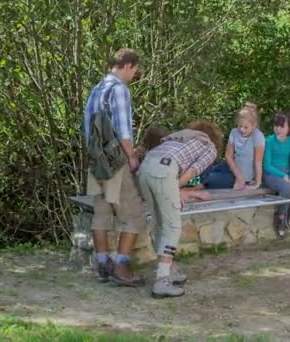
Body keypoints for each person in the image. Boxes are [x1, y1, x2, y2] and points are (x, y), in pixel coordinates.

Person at [137, 120, 223, 298]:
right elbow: (193, 171)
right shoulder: (209, 147)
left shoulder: (180, 136)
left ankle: (170, 269)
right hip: (164, 169)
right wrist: (177, 187)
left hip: (145, 168)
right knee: (172, 226)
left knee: (160, 222)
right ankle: (162, 281)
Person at [83, 48, 145, 287]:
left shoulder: (97, 89)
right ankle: (121, 266)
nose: (134, 74)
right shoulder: (119, 90)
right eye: (135, 70)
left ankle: (102, 264)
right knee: (133, 215)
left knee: (101, 213)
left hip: (96, 160)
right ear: (128, 66)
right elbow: (123, 130)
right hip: (115, 160)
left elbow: (87, 128)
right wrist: (131, 156)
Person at [202, 102, 265, 189]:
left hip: (244, 177)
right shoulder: (234, 132)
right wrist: (237, 174)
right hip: (231, 169)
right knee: (205, 169)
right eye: (240, 126)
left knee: (211, 179)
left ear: (254, 125)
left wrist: (257, 182)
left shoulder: (258, 136)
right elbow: (228, 156)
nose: (242, 130)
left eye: (246, 127)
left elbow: (258, 162)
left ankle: (201, 184)